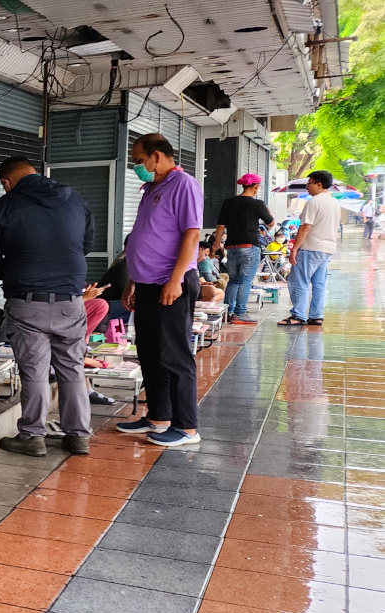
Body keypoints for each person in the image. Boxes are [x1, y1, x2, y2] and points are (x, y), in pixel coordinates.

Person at [0, 154, 96, 457]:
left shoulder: (4, 206)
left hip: (27, 303)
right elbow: (86, 245)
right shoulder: (75, 200)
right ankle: (79, 435)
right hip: (71, 301)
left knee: (34, 371)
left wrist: (16, 275)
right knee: (72, 368)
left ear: (6, 182)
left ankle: (32, 436)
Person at [115, 133, 203, 447]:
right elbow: (146, 236)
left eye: (140, 161)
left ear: (156, 155)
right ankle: (159, 416)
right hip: (148, 284)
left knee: (174, 353)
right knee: (150, 353)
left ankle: (187, 427)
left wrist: (176, 280)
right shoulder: (151, 187)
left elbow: (191, 235)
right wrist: (132, 281)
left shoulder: (184, 185)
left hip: (171, 284)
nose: (138, 167)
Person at [281, 170, 342, 327]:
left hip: (311, 247)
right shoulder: (334, 202)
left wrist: (294, 248)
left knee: (299, 281)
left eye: (309, 183)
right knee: (319, 283)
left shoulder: (313, 202)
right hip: (327, 248)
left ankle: (298, 315)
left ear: (319, 184)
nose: (306, 187)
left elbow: (305, 227)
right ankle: (316, 316)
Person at [211, 172, 273, 324]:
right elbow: (270, 224)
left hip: (231, 247)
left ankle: (228, 312)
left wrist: (216, 244)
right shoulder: (257, 204)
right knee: (245, 281)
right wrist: (268, 213)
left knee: (233, 280)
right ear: (256, 187)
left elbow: (220, 226)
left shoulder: (229, 202)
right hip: (249, 247)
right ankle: (240, 313)